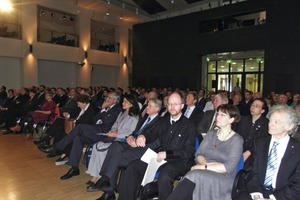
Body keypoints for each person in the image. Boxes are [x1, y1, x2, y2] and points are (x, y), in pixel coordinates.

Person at [117, 92, 197, 200]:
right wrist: (143, 136)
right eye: (170, 104)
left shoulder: (189, 126)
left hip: (180, 161)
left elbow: (188, 151)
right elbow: (152, 133)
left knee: (165, 176)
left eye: (176, 104)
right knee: (133, 166)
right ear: (167, 105)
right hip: (160, 158)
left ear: (182, 106)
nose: (172, 107)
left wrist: (167, 154)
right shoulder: (163, 121)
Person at [86, 98, 162, 199]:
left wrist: (138, 143)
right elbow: (135, 132)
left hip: (145, 149)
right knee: (115, 146)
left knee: (116, 158)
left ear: (157, 108)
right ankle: (107, 183)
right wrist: (130, 137)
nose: (146, 107)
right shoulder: (144, 118)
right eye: (147, 105)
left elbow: (156, 141)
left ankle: (108, 189)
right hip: (133, 144)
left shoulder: (160, 122)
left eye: (150, 106)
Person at [38, 91, 122, 179]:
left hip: (104, 134)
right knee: (78, 138)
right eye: (107, 97)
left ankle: (56, 147)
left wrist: (104, 110)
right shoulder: (106, 108)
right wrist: (102, 110)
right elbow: (94, 120)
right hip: (96, 131)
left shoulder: (117, 109)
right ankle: (74, 168)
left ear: (115, 100)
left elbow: (107, 123)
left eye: (109, 98)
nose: (106, 99)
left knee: (80, 127)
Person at [167, 104, 243, 200]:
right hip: (203, 170)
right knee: (192, 177)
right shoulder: (211, 133)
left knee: (193, 175)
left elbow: (229, 167)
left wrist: (203, 167)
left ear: (231, 120)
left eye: (222, 115)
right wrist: (207, 166)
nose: (217, 117)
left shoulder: (237, 140)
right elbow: (198, 154)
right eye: (217, 114)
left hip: (223, 177)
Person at [233, 104, 300, 200]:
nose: (270, 124)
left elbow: (297, 183)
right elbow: (252, 171)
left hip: (282, 194)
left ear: (290, 126)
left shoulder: (297, 149)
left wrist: (272, 198)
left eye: (276, 122)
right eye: (270, 120)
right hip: (257, 191)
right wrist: (257, 194)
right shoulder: (260, 143)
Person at [85, 94, 141, 183]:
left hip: (121, 140)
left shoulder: (134, 117)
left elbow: (130, 133)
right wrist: (113, 131)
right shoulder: (122, 113)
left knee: (102, 149)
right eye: (123, 101)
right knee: (97, 146)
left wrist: (116, 134)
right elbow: (115, 125)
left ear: (131, 104)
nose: (123, 103)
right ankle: (95, 174)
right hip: (114, 137)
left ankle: (101, 175)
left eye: (126, 102)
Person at [237, 98, 269, 168]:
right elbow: (237, 136)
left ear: (262, 110)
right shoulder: (243, 120)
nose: (253, 107)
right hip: (239, 150)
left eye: (257, 106)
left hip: (254, 153)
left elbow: (262, 142)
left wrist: (248, 152)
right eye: (252, 105)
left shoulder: (266, 124)